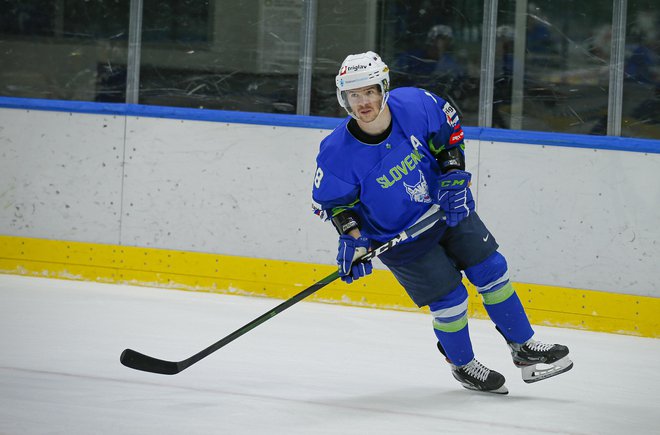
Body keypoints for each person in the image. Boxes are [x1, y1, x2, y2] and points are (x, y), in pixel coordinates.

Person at [311, 51, 573, 394]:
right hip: (400, 238)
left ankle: (524, 347)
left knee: (492, 269)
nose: (363, 101)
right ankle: (463, 364)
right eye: (354, 94)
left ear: (384, 88)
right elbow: (335, 204)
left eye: (371, 91)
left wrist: (452, 178)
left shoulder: (417, 105)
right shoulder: (336, 152)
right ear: (343, 97)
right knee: (451, 300)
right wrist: (354, 238)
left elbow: (449, 138)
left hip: (445, 210)